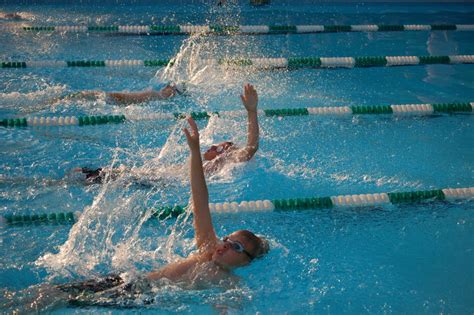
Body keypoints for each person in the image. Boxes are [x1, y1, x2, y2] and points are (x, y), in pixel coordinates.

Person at [6, 117, 269, 311]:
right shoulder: (206, 248)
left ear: (246, 261)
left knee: (54, 299)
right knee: (49, 293)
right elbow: (199, 198)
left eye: (234, 246)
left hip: (140, 297)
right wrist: (193, 152)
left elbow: (228, 307)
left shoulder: (229, 283)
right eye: (226, 238)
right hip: (132, 283)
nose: (223, 245)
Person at [77, 83, 259, 184]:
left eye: (217, 146)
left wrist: (252, 111)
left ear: (225, 151)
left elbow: (250, 148)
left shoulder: (224, 161)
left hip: (160, 182)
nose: (211, 146)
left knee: (102, 177)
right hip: (158, 177)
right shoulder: (208, 164)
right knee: (103, 174)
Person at [57, 82, 186, 106]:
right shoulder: (156, 95)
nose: (167, 88)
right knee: (82, 97)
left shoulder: (155, 95)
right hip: (115, 100)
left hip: (114, 99)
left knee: (81, 97)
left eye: (170, 88)